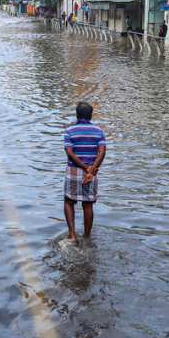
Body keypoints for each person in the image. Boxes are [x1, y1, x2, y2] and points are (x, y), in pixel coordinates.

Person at [63, 102, 107, 243]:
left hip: (74, 170)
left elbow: (70, 152)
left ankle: (72, 235)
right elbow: (102, 152)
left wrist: (84, 167)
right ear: (91, 115)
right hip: (91, 172)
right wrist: (91, 169)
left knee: (69, 201)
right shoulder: (98, 131)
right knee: (87, 204)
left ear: (77, 115)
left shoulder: (70, 131)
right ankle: (87, 237)